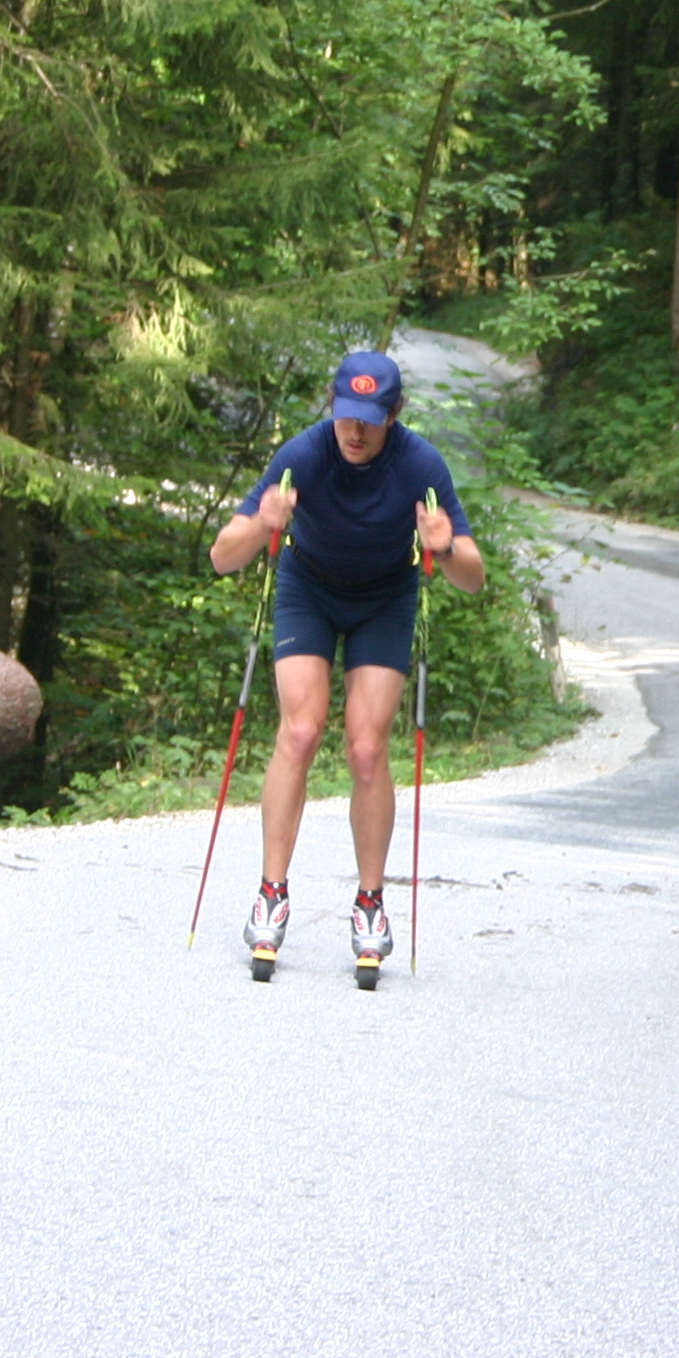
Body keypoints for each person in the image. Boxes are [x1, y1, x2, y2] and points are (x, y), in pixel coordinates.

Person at [210, 349, 484, 981]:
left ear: (395, 414)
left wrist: (445, 547)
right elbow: (222, 557)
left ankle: (370, 904)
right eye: (346, 414)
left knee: (366, 748)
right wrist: (262, 525)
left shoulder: (420, 465)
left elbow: (472, 577)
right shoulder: (302, 456)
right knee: (300, 731)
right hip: (308, 588)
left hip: (385, 598)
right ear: (332, 405)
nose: (355, 431)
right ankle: (271, 894)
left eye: (371, 418)